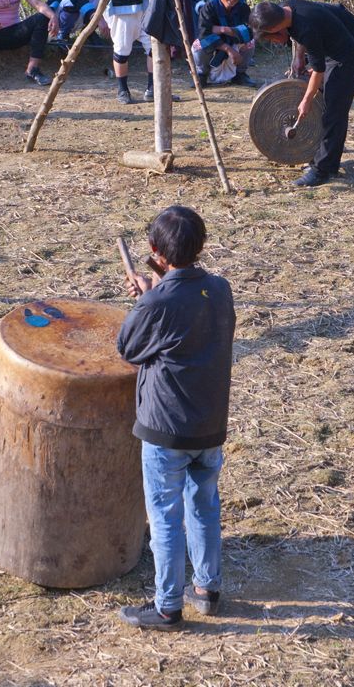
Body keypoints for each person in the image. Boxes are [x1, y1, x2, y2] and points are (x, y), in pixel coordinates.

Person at [117, 206, 235, 632]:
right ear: (201, 245)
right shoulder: (220, 289)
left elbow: (129, 348)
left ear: (155, 252)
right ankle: (207, 589)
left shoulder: (157, 301)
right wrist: (156, 289)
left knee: (165, 517)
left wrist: (148, 297)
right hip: (209, 424)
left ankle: (167, 606)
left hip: (166, 429)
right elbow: (186, 323)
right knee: (204, 504)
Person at [249, 0, 354, 187]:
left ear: (275, 29)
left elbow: (319, 69)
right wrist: (299, 58)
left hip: (349, 53)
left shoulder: (307, 28)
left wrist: (306, 99)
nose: (276, 43)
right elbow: (300, 39)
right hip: (337, 40)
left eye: (271, 39)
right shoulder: (286, 8)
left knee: (333, 111)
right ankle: (320, 153)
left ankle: (323, 169)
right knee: (323, 101)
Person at [193, 0, 256, 87]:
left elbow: (249, 32)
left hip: (234, 41)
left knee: (250, 43)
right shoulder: (208, 7)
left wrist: (223, 29)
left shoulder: (243, 8)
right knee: (199, 45)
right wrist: (229, 49)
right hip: (215, 44)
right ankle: (202, 75)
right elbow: (204, 34)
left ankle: (240, 74)